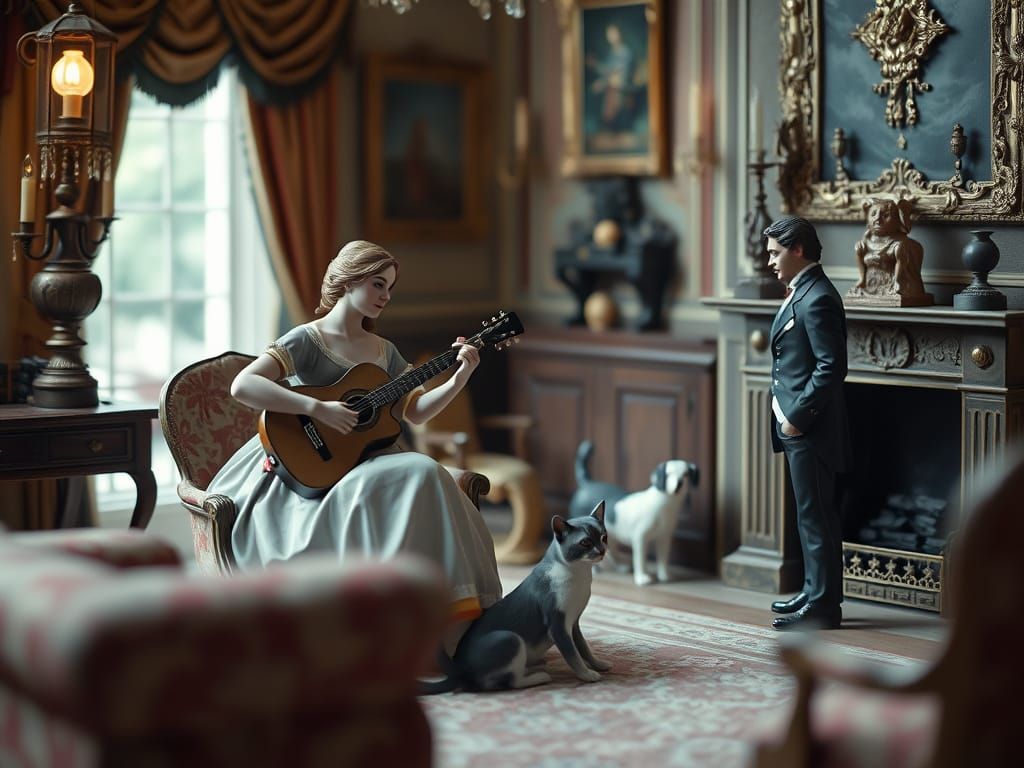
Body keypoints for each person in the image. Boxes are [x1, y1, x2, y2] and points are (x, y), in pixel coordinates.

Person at [207, 240, 502, 644]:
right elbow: (244, 385)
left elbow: (414, 412)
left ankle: (451, 624)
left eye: (390, 288)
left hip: (369, 460)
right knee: (425, 471)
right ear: (348, 282)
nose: (386, 296)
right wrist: (317, 409)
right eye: (377, 284)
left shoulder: (384, 350)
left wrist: (459, 377)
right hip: (312, 461)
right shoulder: (307, 339)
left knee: (427, 476)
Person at [763, 216, 851, 631]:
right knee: (808, 515)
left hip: (810, 427)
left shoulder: (818, 297)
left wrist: (797, 418)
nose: (769, 262)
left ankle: (823, 607)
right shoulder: (804, 290)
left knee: (816, 516)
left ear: (798, 250)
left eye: (775, 253)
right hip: (797, 424)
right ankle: (816, 592)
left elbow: (832, 368)